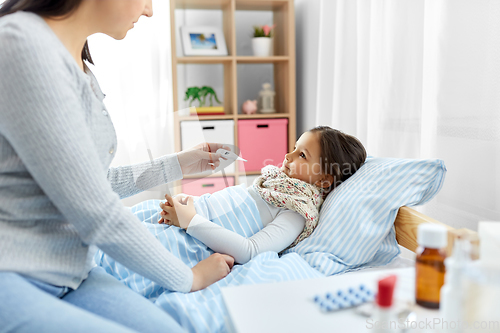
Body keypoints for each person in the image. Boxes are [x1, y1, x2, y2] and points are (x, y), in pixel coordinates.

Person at [0, 0, 234, 332]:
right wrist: (190, 277)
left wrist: (182, 163)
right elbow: (97, 212)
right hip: (13, 273)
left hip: (72, 273)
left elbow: (93, 181)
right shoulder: (22, 45)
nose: (150, 11)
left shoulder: (78, 65)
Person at [157, 126, 367, 264]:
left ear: (324, 180)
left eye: (302, 155)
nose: (288, 155)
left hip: (190, 237)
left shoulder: (296, 212)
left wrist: (190, 220)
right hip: (184, 216)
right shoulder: (275, 186)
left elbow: (251, 251)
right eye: (295, 148)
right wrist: (193, 205)